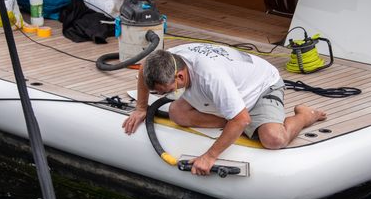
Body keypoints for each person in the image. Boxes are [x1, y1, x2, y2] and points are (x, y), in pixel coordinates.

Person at [123, 43, 326, 176]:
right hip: (225, 86)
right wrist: (141, 108)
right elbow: (143, 70)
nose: (162, 95)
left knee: (274, 139)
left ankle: (306, 114)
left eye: (165, 91)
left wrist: (209, 156)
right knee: (177, 113)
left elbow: (242, 119)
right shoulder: (168, 59)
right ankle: (230, 117)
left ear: (180, 77)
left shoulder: (211, 77)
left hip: (260, 88)